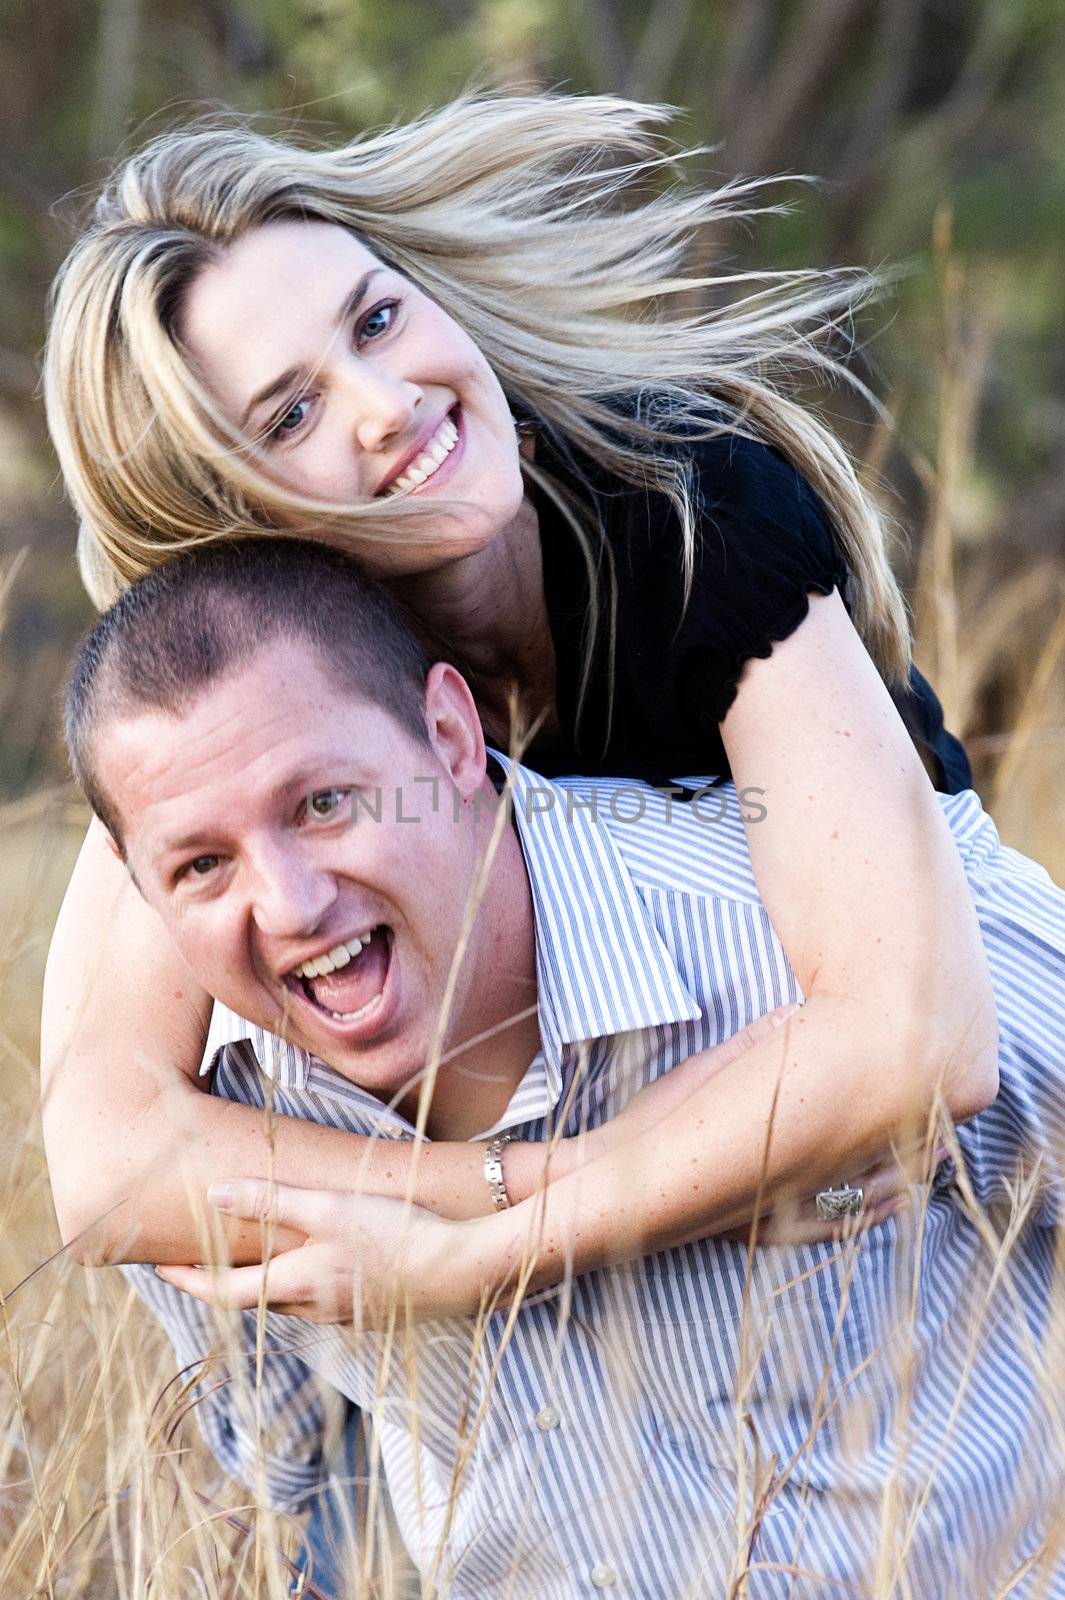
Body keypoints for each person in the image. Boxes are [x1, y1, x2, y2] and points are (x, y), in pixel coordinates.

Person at [42, 92, 997, 1286]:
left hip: (886, 1028)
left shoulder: (690, 506)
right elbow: (105, 1157)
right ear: (225, 517)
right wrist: (505, 1188)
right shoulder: (242, 688)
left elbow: (922, 1032)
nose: (388, 405)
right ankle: (327, 1473)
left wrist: (476, 1263)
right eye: (293, 414)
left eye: (378, 321)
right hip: (570, 1110)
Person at [60, 538, 1065, 1598]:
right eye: (202, 864)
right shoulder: (212, 1147)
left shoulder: (849, 957)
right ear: (140, 887)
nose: (293, 905)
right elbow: (298, 1502)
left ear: (449, 735)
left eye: (324, 803)